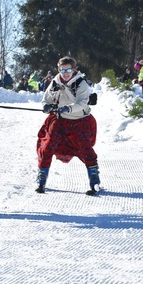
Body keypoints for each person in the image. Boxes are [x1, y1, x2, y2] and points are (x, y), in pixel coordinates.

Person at [35, 56, 100, 195]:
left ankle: (94, 179)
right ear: (58, 69)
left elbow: (82, 103)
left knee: (85, 148)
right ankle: (42, 178)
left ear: (74, 70)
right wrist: (46, 106)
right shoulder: (55, 82)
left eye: (68, 69)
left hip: (79, 120)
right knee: (48, 145)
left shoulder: (80, 84)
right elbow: (45, 99)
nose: (65, 73)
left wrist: (68, 108)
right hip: (60, 120)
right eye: (62, 70)